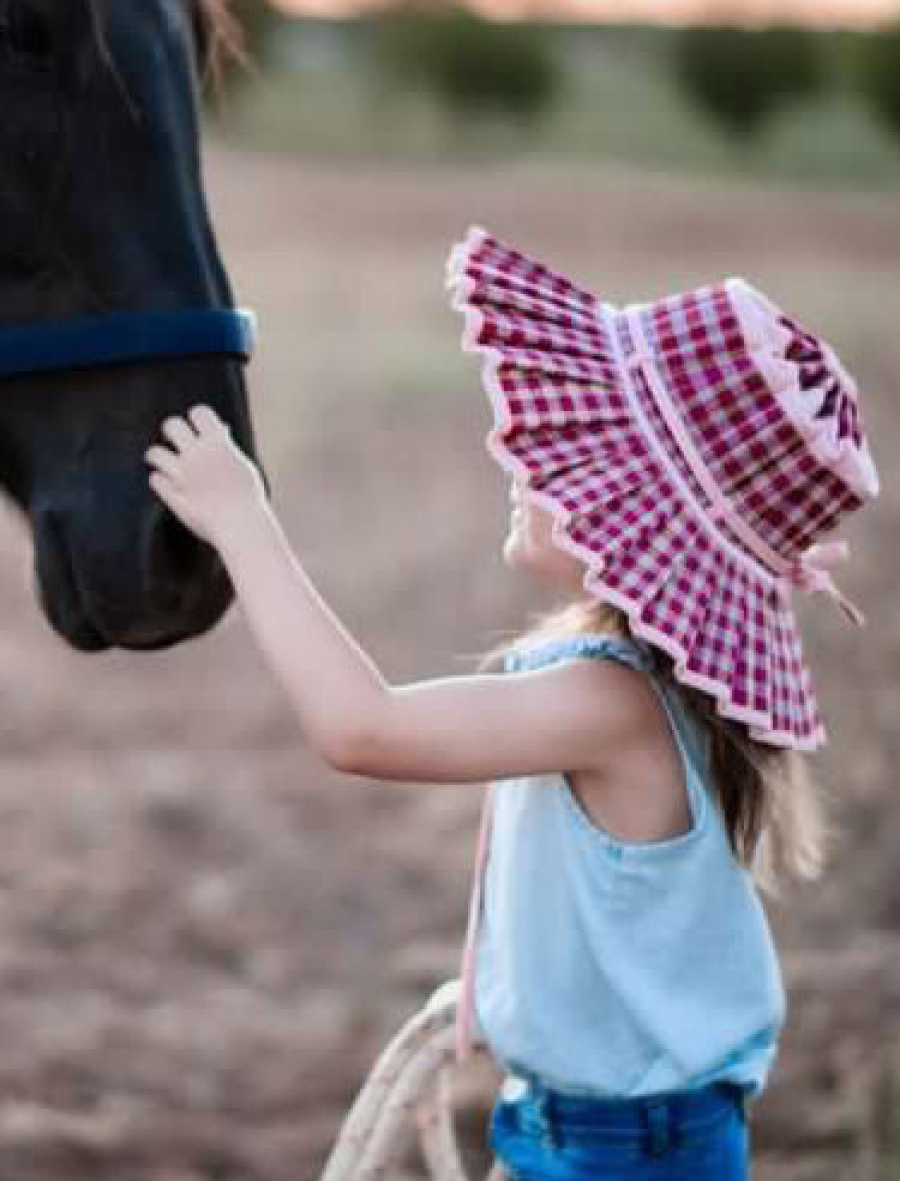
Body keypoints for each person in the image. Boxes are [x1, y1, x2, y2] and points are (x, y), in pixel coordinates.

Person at [145, 226, 880, 1180]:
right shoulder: (664, 676)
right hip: (592, 1133)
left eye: (570, 448)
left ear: (630, 514)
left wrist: (243, 524)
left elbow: (362, 729)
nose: (517, 450)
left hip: (619, 1153)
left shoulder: (613, 699)